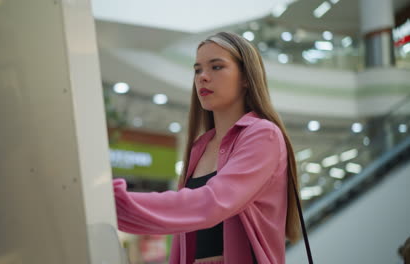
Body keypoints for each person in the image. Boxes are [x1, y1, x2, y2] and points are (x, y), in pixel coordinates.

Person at [113, 31, 301, 264]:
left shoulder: (263, 134)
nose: (202, 77)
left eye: (216, 67)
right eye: (197, 70)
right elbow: (183, 231)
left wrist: (119, 204)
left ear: (245, 77)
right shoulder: (199, 147)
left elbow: (212, 203)